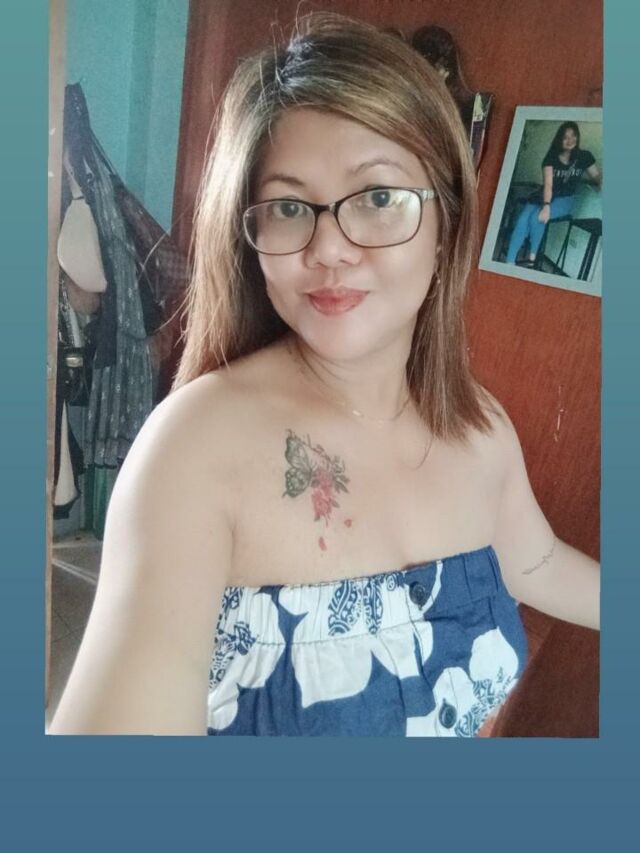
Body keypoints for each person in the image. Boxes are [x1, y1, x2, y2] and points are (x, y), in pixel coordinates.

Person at [50, 13, 600, 737]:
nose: (331, 247)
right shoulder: (193, 450)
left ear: (447, 227)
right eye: (288, 207)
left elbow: (536, 563)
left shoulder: (479, 424)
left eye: (378, 197)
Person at [505, 121, 601, 267]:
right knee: (523, 218)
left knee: (536, 218)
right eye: (565, 137)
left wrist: (602, 182)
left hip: (565, 199)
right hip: (545, 195)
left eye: (573, 136)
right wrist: (546, 205)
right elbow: (548, 185)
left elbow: (597, 175)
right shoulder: (551, 158)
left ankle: (532, 255)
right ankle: (509, 262)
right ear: (559, 140)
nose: (570, 140)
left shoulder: (584, 156)